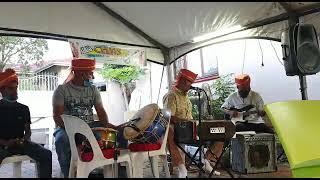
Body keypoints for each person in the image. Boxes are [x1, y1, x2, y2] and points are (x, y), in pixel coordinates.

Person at [52, 58, 125, 177]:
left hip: (90, 126)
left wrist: (107, 126)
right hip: (66, 128)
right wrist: (75, 131)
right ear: (80, 73)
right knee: (61, 140)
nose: (93, 76)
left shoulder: (93, 89)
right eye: (90, 73)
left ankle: (118, 172)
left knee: (117, 134)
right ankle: (68, 174)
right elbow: (57, 117)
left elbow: (100, 111)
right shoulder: (62, 90)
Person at [163, 69, 223, 178]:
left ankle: (206, 160)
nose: (190, 86)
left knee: (221, 134)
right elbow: (168, 116)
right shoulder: (171, 95)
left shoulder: (185, 96)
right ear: (181, 82)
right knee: (170, 130)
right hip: (181, 130)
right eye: (188, 83)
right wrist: (186, 122)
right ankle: (180, 168)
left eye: (191, 83)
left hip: (192, 128)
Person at [0, 68, 52, 178]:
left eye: (16, 88)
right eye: (11, 89)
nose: (15, 91)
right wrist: (5, 143)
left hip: (20, 144)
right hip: (2, 145)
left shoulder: (23, 108)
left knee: (46, 154)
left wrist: (24, 140)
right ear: (2, 90)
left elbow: (28, 131)